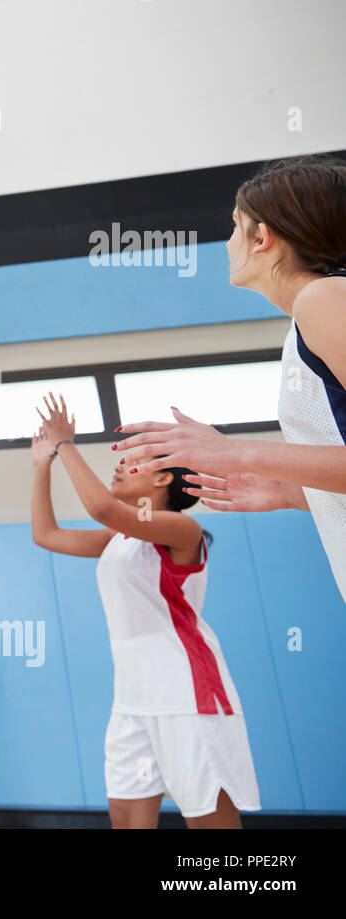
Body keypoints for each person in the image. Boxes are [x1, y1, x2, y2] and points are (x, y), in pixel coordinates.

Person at [115, 157, 346, 602]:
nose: (227, 243)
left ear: (262, 237)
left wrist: (236, 450)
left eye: (234, 227)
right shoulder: (313, 311)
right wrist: (294, 493)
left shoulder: (323, 298)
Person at [31, 393, 259, 828]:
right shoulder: (117, 539)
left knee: (209, 819)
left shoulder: (182, 529)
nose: (120, 464)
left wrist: (66, 444)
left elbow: (101, 508)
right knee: (128, 819)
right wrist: (43, 464)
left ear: (163, 480)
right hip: (132, 698)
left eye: (135, 461)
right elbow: (46, 534)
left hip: (187, 695)